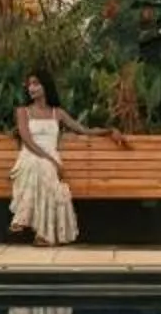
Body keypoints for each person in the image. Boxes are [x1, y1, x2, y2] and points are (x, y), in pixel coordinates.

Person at [7, 72, 124, 247]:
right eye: (29, 84)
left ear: (46, 87)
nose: (31, 88)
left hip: (49, 160)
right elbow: (27, 141)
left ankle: (40, 231)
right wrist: (51, 161)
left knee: (46, 171)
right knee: (44, 169)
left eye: (36, 83)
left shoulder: (57, 113)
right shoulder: (23, 112)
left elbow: (83, 130)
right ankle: (42, 233)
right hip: (30, 156)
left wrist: (108, 131)